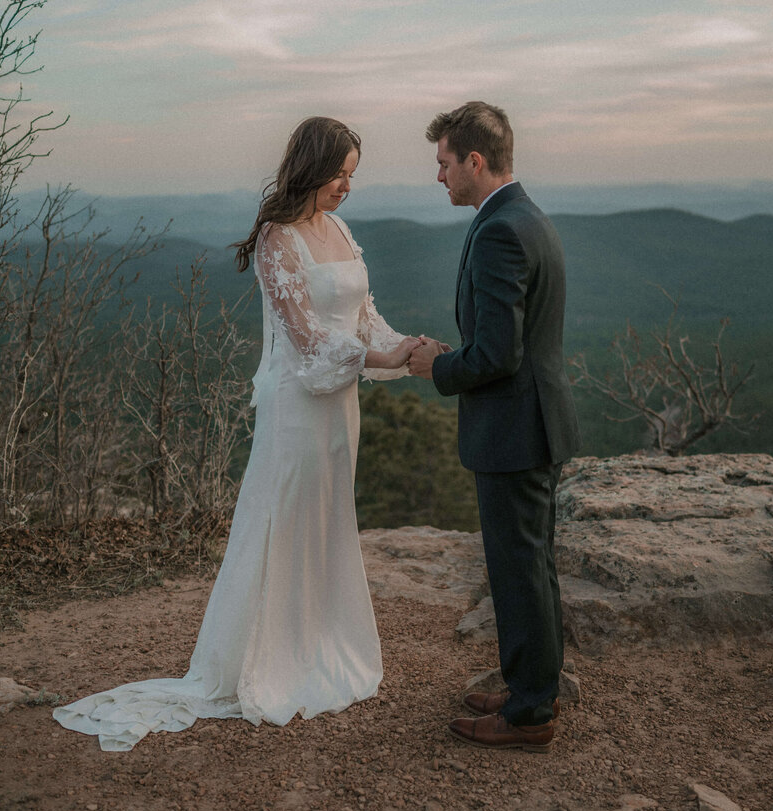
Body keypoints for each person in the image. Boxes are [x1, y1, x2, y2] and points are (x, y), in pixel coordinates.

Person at [53, 117, 419, 751]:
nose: (347, 186)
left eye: (353, 174)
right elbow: (306, 341)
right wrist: (376, 358)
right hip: (300, 402)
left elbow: (365, 319)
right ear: (311, 167)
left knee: (328, 516)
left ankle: (320, 643)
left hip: (343, 406)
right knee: (286, 514)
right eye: (340, 173)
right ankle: (272, 659)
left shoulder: (339, 229)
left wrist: (406, 347)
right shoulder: (279, 240)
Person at [407, 102, 581, 753]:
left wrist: (436, 365)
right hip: (531, 426)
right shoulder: (524, 215)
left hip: (515, 431)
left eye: (444, 163)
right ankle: (529, 686)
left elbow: (497, 356)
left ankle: (532, 712)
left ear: (474, 161)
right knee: (528, 566)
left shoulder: (501, 230)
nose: (440, 176)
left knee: (520, 568)